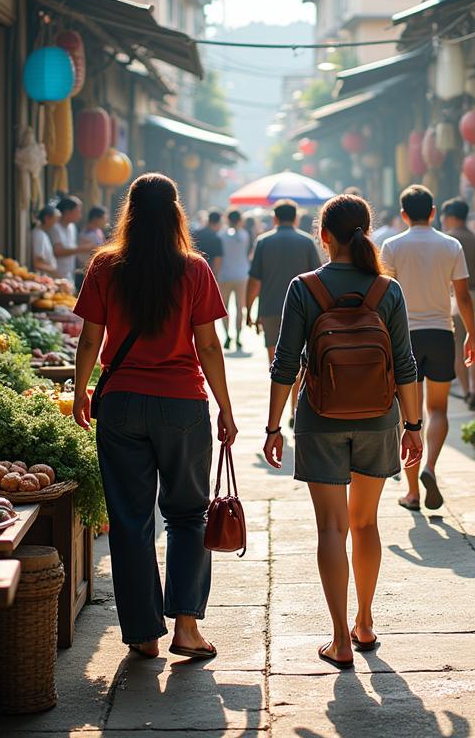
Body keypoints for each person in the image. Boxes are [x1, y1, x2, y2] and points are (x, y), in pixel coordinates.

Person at [72, 173, 237, 661]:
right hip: (182, 405)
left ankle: (143, 634)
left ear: (131, 212)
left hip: (121, 405)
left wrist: (81, 390)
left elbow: (89, 339)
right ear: (175, 214)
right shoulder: (193, 269)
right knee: (187, 515)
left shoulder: (105, 266)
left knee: (130, 520)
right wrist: (226, 406)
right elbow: (208, 344)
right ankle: (185, 627)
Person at [262, 194, 422, 669]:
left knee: (330, 527)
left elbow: (285, 364)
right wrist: (413, 426)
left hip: (320, 420)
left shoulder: (303, 288)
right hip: (378, 419)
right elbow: (407, 364)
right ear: (366, 233)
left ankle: (339, 639)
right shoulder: (386, 290)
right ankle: (366, 621)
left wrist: (274, 427)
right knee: (366, 523)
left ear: (324, 236)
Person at [381, 185, 475, 512]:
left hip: (403, 336)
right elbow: (463, 296)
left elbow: (383, 295)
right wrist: (472, 336)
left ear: (403, 214)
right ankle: (430, 467)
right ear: (434, 211)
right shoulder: (451, 245)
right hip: (441, 333)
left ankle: (411, 493)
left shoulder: (392, 246)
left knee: (409, 416)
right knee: (438, 409)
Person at [245, 200, 322, 422]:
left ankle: (276, 417)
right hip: (303, 311)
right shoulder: (307, 242)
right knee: (300, 360)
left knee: (277, 363)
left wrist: (249, 309)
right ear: (296, 218)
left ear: (275, 218)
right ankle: (294, 409)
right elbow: (317, 277)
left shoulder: (263, 242)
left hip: (271, 309)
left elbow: (254, 279)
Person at [440, 197, 475, 412]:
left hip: (451, 295)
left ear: (450, 217)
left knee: (456, 345)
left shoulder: (446, 240)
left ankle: (465, 390)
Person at [218, 209, 252, 352]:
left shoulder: (221, 235)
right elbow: (248, 253)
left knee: (224, 308)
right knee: (240, 307)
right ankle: (238, 336)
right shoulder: (245, 235)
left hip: (225, 274)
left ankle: (227, 336)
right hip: (242, 274)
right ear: (240, 220)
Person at [50, 196, 94, 284]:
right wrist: (82, 248)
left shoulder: (72, 227)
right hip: (55, 276)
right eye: (78, 211)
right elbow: (58, 251)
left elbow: (71, 248)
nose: (80, 215)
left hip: (69, 275)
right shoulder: (55, 227)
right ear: (67, 212)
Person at [192, 210, 224, 276]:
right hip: (207, 273)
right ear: (218, 222)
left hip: (193, 271)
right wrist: (215, 276)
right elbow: (218, 260)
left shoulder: (196, 233)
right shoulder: (216, 238)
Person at [31, 205, 60, 277]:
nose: (55, 225)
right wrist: (55, 272)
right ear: (47, 218)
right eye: (55, 220)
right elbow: (37, 263)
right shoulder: (39, 235)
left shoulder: (43, 234)